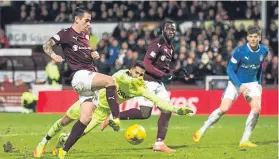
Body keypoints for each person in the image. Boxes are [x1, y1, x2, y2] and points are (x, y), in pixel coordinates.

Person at [33, 61, 192, 158]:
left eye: (141, 75)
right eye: (136, 73)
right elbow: (123, 79)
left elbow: (158, 100)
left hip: (102, 112)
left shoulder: (140, 88)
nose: (138, 77)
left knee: (80, 133)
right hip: (91, 99)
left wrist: (176, 109)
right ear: (131, 70)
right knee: (65, 120)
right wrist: (132, 81)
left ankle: (63, 141)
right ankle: (43, 142)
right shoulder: (121, 75)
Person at [38, 6, 121, 158]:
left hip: (88, 78)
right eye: (86, 20)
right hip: (79, 76)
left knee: (85, 118)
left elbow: (85, 55)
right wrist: (53, 55)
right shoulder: (66, 34)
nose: (88, 24)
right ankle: (116, 118)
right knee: (110, 81)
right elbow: (46, 45)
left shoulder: (86, 36)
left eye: (90, 21)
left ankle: (63, 151)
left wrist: (92, 54)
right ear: (77, 19)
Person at [102, 19, 189, 152]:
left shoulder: (170, 47)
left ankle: (159, 143)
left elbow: (163, 69)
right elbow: (147, 64)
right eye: (169, 29)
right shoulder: (157, 43)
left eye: (173, 29)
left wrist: (175, 72)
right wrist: (163, 75)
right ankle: (114, 116)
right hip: (148, 82)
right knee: (144, 113)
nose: (171, 32)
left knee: (167, 111)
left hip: (159, 83)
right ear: (162, 30)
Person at [193, 26, 269, 148]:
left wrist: (259, 83)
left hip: (252, 83)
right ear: (247, 38)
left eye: (256, 37)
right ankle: (202, 129)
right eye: (251, 37)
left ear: (259, 38)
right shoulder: (240, 51)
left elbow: (259, 67)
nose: (253, 39)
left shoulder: (264, 51)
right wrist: (240, 85)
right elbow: (229, 69)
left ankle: (244, 140)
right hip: (236, 82)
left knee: (256, 109)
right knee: (224, 109)